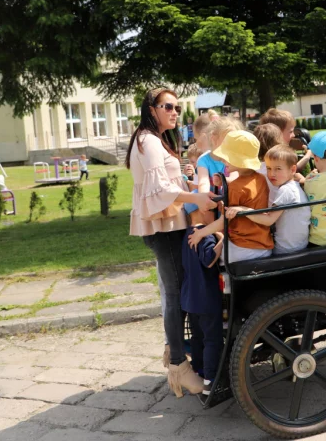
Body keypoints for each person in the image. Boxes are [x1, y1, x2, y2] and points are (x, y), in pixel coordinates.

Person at [127, 87, 217, 398]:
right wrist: (197, 196)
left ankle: (179, 354)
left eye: (177, 107)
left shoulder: (156, 140)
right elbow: (159, 190)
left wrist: (191, 185)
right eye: (167, 106)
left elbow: (168, 183)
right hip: (163, 227)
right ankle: (179, 365)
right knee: (176, 293)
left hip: (168, 223)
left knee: (177, 291)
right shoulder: (148, 141)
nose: (174, 112)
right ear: (151, 109)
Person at [189, 130, 272, 262]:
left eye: (227, 157)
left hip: (242, 249)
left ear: (239, 160)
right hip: (263, 245)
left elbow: (223, 222)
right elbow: (247, 195)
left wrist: (200, 233)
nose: (223, 160)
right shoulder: (261, 178)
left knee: (211, 258)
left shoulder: (235, 187)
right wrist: (225, 182)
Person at [227, 144, 311, 255]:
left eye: (278, 169)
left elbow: (269, 220)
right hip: (299, 244)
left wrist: (244, 210)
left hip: (285, 249)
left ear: (293, 169)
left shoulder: (285, 190)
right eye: (269, 168)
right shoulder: (293, 186)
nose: (272, 174)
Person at [180, 221, 223, 396]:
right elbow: (209, 260)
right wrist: (222, 238)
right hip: (206, 298)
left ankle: (199, 372)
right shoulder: (204, 233)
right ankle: (210, 382)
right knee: (212, 339)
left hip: (191, 298)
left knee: (197, 337)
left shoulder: (188, 233)